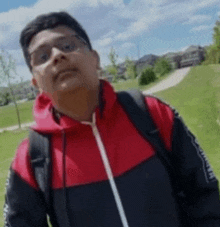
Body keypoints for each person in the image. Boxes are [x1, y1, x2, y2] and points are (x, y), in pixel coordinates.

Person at [4, 11, 220, 227]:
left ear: (95, 58)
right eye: (42, 56)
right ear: (35, 83)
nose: (57, 56)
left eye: (68, 45)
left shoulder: (152, 114)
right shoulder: (31, 158)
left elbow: (205, 199)